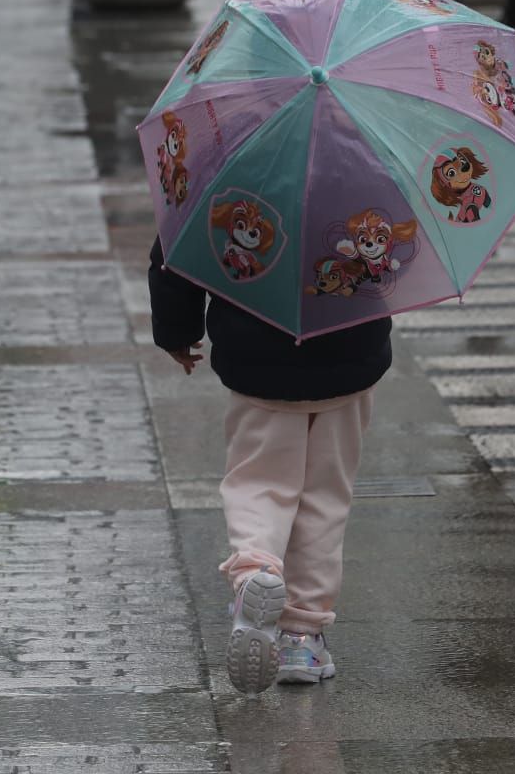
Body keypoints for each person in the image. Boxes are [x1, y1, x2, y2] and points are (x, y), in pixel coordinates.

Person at [148, 235, 389, 694]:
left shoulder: (226, 176)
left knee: (258, 482)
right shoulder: (370, 175)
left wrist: (177, 332)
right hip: (349, 353)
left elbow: (176, 250)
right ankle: (301, 635)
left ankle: (255, 573)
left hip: (258, 357)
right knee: (325, 495)